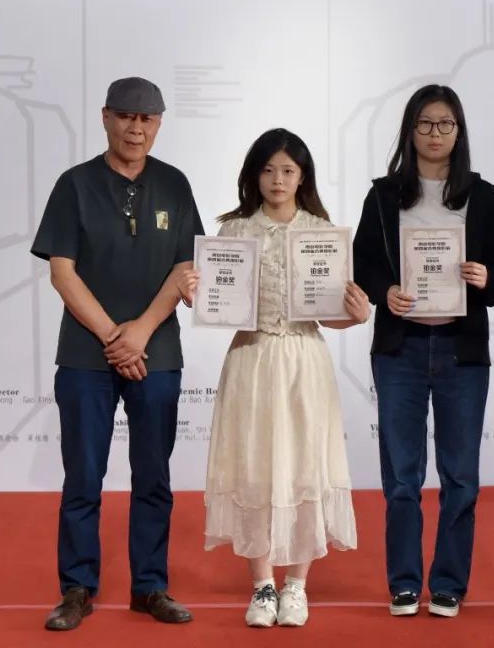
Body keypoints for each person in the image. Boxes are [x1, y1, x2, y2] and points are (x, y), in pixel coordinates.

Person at [32, 77, 203, 630]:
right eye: (126, 116)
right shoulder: (75, 184)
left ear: (159, 124)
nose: (136, 128)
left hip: (157, 351)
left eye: (147, 119)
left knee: (153, 475)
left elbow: (186, 267)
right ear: (105, 117)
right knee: (83, 475)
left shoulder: (174, 184)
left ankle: (150, 587)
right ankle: (76, 588)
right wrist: (114, 337)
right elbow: (62, 272)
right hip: (86, 353)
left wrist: (142, 332)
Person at [183, 128, 368, 628]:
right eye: (267, 170)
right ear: (254, 175)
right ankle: (263, 586)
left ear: (302, 176)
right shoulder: (233, 232)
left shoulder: (321, 234)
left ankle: (297, 587)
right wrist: (197, 294)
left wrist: (356, 316)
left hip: (304, 360)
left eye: (287, 170)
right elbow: (219, 305)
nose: (277, 179)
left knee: (305, 465)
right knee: (255, 469)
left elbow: (328, 314)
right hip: (251, 358)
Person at [353, 85, 494, 618]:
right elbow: (362, 262)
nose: (434, 134)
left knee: (460, 476)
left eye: (445, 124)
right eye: (425, 123)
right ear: (410, 130)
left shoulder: (481, 195)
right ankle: (404, 582)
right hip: (399, 349)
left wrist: (486, 277)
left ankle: (448, 582)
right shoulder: (384, 196)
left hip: (460, 352)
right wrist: (385, 291)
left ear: (459, 132)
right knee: (402, 475)